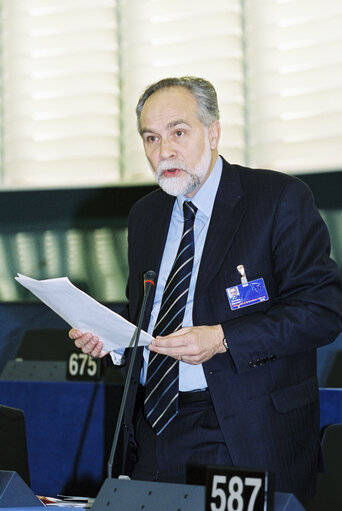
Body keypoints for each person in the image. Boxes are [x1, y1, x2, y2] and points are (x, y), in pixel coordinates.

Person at [69, 76, 342, 503]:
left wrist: (221, 338)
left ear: (213, 132)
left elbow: (323, 309)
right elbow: (148, 311)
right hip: (155, 426)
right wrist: (113, 339)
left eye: (179, 132)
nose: (164, 152)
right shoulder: (146, 215)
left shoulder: (277, 199)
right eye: (151, 138)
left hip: (244, 430)